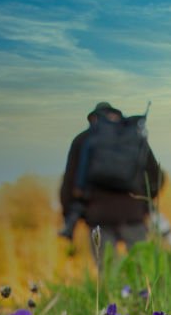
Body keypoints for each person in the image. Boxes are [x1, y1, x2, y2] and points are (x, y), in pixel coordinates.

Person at [60, 102, 164, 263]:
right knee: (142, 269)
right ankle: (145, 289)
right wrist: (144, 205)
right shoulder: (133, 137)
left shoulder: (83, 140)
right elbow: (156, 177)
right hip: (133, 214)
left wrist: (70, 216)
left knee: (108, 272)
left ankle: (114, 288)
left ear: (94, 118)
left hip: (98, 216)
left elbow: (68, 185)